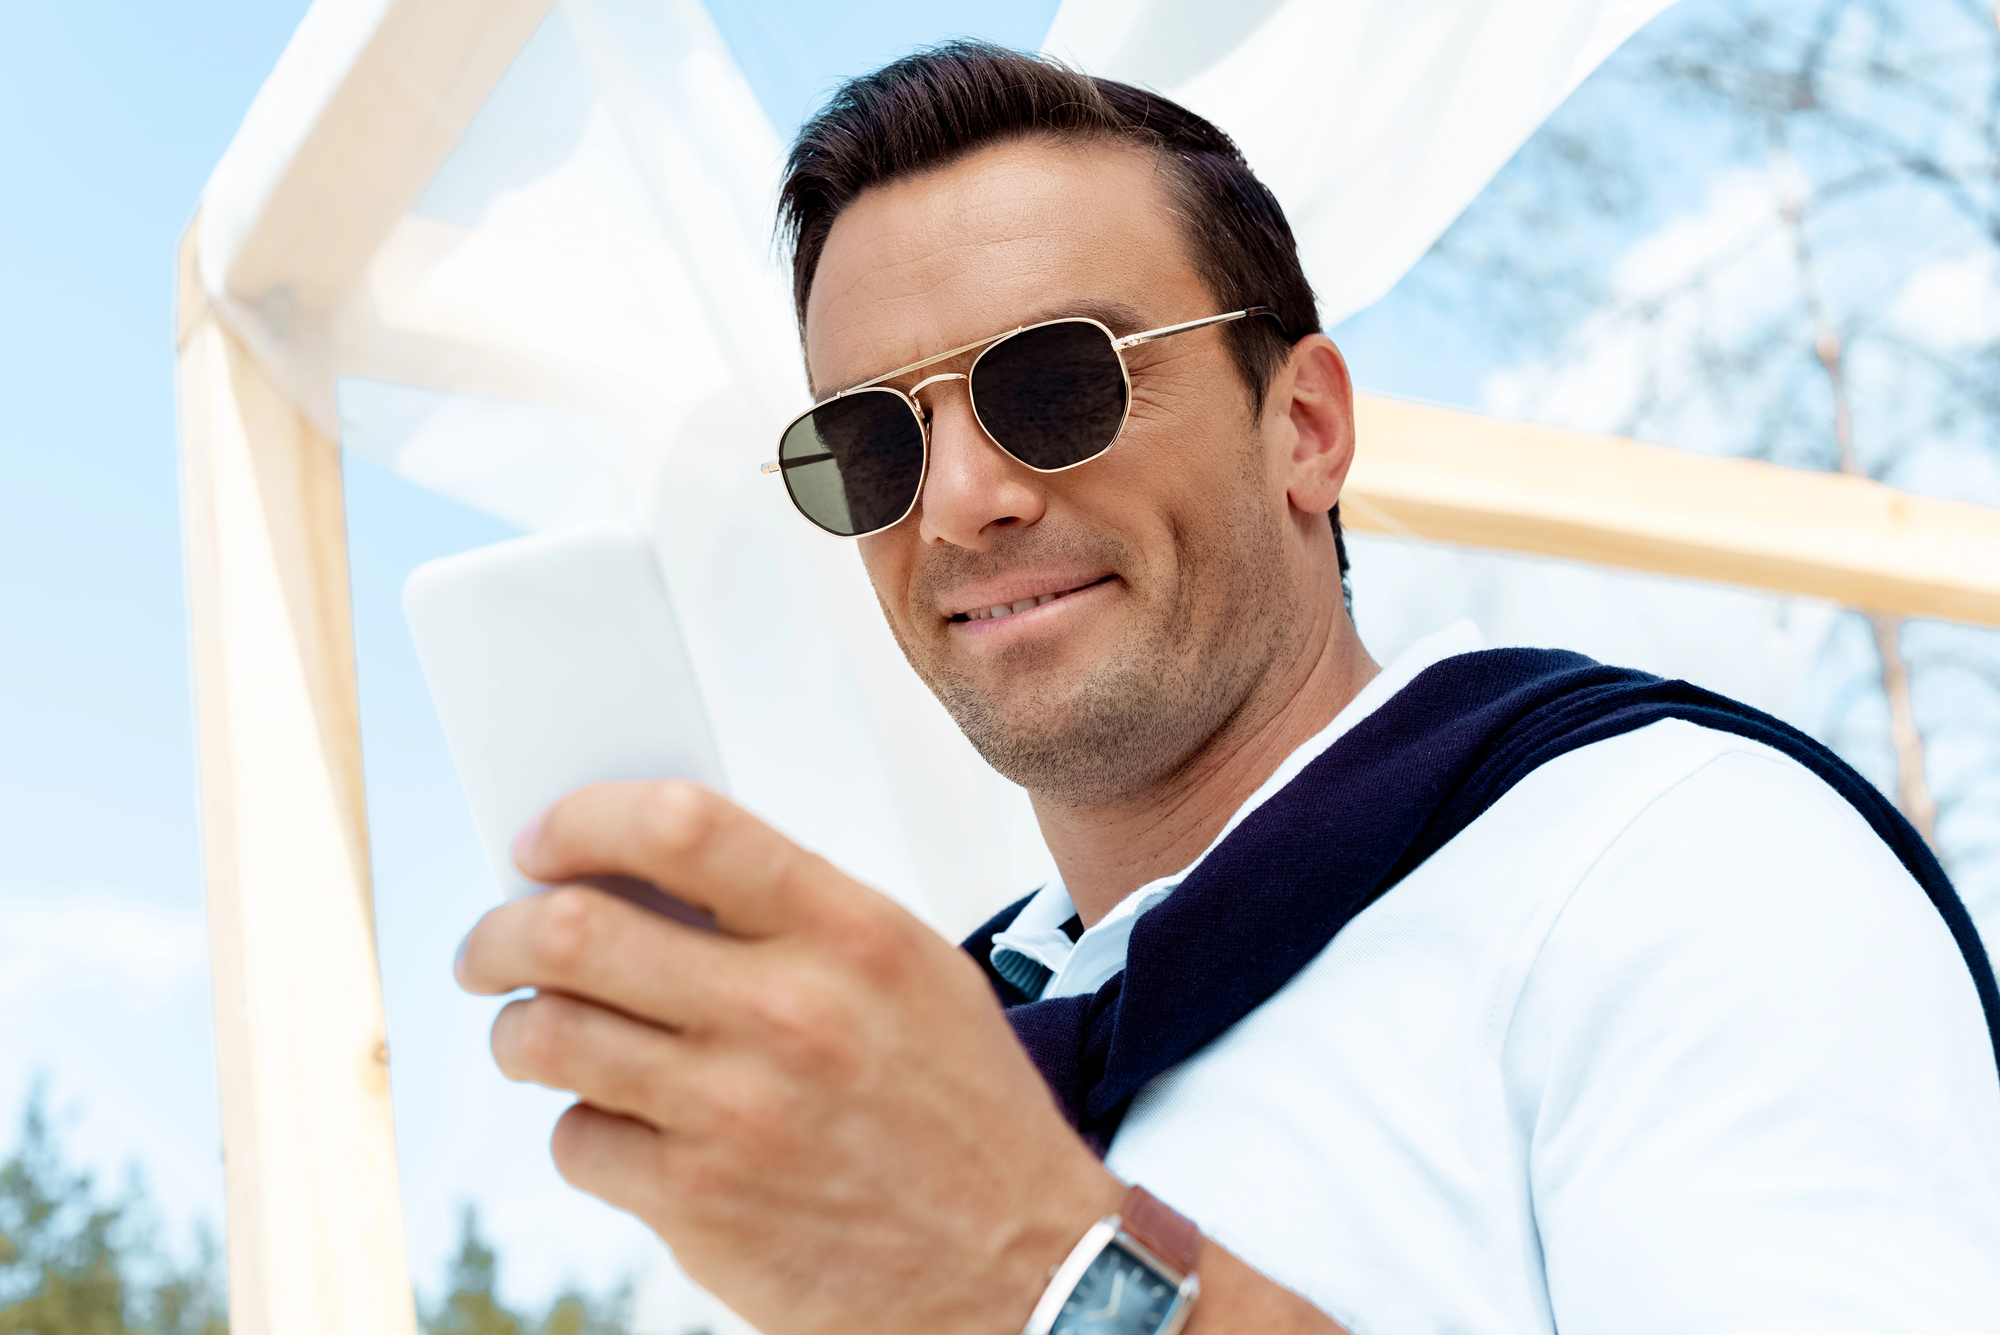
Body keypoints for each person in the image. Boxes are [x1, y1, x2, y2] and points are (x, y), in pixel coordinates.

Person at [455, 43, 2000, 1335]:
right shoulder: (911, 1075)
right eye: (870, 445)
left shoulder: (1668, 870)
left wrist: (1043, 1275)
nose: (959, 502)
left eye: (1054, 382)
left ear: (1307, 426)